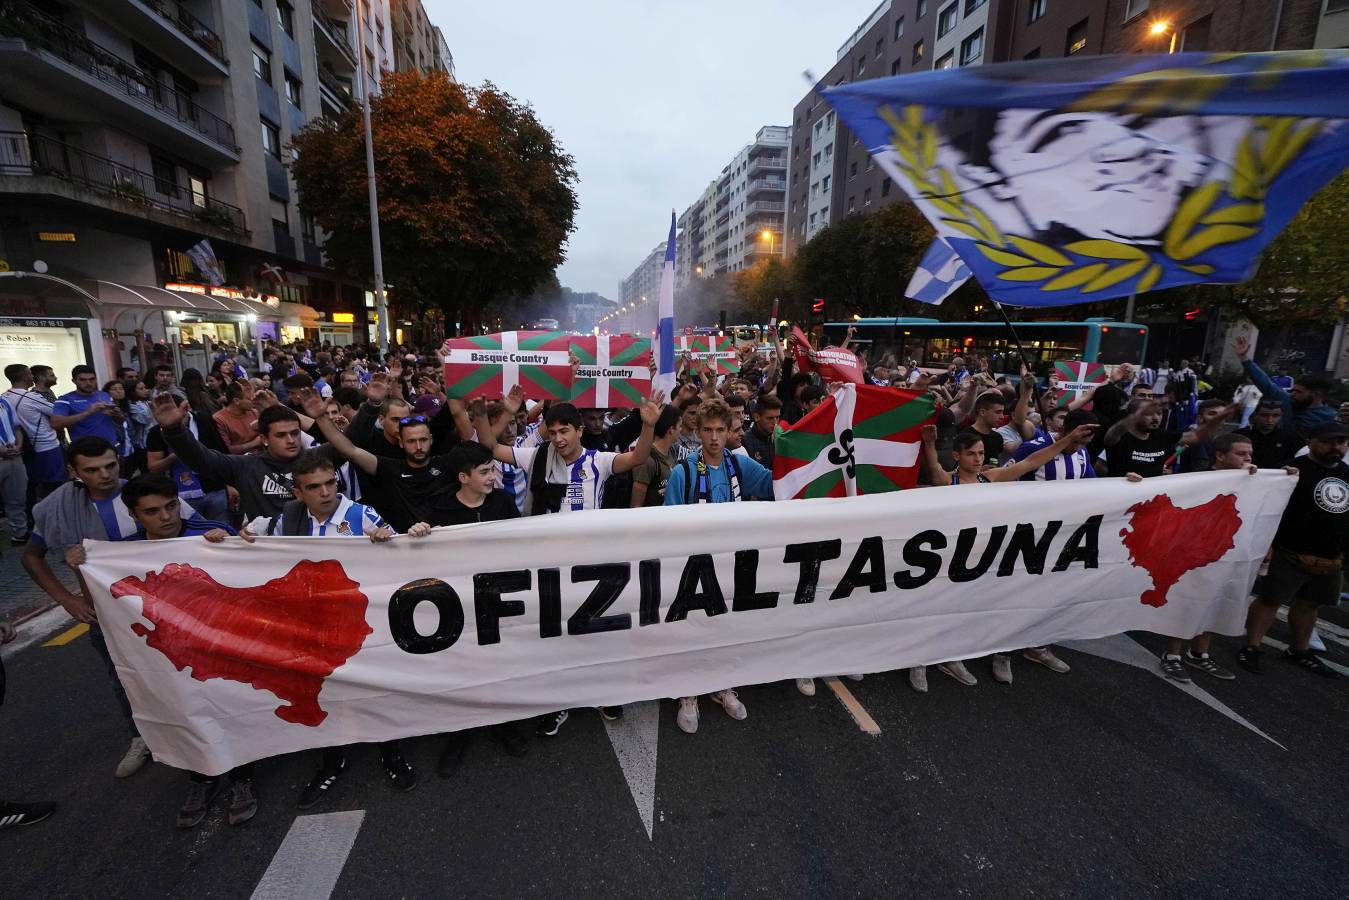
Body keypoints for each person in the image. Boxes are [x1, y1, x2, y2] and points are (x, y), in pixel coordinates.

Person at [236, 453, 428, 807]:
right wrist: (234, 540)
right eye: (314, 487)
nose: (325, 492)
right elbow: (251, 544)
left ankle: (390, 752)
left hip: (359, 626)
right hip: (310, 628)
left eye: (330, 483)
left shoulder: (362, 516)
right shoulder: (286, 520)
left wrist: (390, 540)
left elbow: (398, 557)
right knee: (322, 693)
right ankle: (331, 760)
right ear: (297, 492)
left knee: (375, 690)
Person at [65, 473, 248, 827]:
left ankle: (243, 778)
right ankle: (202, 777)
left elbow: (246, 576)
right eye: (152, 511)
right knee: (183, 710)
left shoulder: (208, 532)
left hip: (218, 647)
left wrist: (230, 543)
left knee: (232, 707)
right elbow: (102, 604)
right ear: (134, 516)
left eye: (170, 506)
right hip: (167, 654)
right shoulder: (121, 554)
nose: (166, 516)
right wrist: (82, 569)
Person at [487, 389, 662, 735]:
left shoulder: (598, 460)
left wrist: (648, 425)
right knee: (556, 636)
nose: (558, 438)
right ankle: (559, 702)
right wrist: (503, 413)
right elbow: (491, 448)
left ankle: (601, 692)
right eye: (552, 432)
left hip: (591, 564)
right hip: (549, 565)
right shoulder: (536, 457)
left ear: (580, 430)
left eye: (564, 431)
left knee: (596, 633)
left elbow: (637, 459)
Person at [912, 421, 1097, 688]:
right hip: (946, 556)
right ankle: (917, 662)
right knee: (934, 608)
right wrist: (929, 443)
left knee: (963, 610)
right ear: (956, 456)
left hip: (979, 557)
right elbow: (932, 467)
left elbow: (1031, 463)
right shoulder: (946, 481)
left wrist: (1066, 442)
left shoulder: (991, 478)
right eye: (971, 454)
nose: (977, 459)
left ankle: (950, 658)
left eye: (980, 454)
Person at [20, 438, 154, 777]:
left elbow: (189, 534)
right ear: (73, 472)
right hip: (104, 614)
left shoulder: (144, 496)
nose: (105, 475)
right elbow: (30, 557)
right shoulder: (57, 507)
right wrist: (66, 599)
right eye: (92, 470)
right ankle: (140, 737)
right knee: (123, 677)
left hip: (159, 609)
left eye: (110, 465)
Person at [662, 398, 773, 732]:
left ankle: (723, 686)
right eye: (707, 430)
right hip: (693, 569)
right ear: (697, 432)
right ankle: (689, 693)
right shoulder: (683, 472)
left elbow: (775, 485)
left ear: (728, 432)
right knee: (691, 631)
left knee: (725, 629)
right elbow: (666, 524)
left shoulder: (739, 466)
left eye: (720, 430)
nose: (713, 437)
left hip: (731, 565)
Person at [431, 442, 531, 773]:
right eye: (485, 471)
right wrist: (419, 535)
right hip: (457, 604)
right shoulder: (440, 511)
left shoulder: (502, 502)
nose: (493, 476)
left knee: (499, 664)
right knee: (460, 669)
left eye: (493, 469)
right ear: (463, 477)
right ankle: (459, 732)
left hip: (496, 600)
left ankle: (504, 723)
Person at [1237, 421, 1349, 677]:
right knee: (1270, 600)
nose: (1335, 447)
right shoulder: (1291, 471)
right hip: (1290, 550)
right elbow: (1268, 508)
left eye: (1340, 442)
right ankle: (1252, 646)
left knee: (1310, 605)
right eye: (1328, 441)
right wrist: (1267, 545)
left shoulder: (1347, 474)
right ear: (1310, 442)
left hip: (1331, 557)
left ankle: (1298, 650)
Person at [149, 393, 344, 521]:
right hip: (270, 554)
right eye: (281, 435)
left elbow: (351, 444)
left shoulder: (317, 458)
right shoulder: (246, 466)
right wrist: (174, 430)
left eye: (294, 433)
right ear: (264, 439)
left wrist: (371, 405)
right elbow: (202, 460)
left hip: (318, 546)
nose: (291, 440)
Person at [1232, 334, 1335, 438]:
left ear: (1317, 394)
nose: (1293, 394)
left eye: (1299, 392)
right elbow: (1264, 382)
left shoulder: (1330, 416)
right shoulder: (1287, 400)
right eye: (1293, 390)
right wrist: (1244, 358)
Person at [4, 364, 63, 499]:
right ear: (25, 377)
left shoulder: (4, 397)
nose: (33, 376)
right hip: (46, 448)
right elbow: (57, 411)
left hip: (22, 449)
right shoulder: (32, 397)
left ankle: (32, 518)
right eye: (30, 374)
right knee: (53, 487)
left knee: (29, 487)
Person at [630, 406, 680, 508]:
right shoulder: (647, 461)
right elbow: (636, 505)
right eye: (680, 426)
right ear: (671, 429)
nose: (681, 430)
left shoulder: (672, 452)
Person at [1238, 400, 1303, 470]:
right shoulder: (1240, 435)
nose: (1270, 420)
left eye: (1275, 416)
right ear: (1255, 415)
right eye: (1264, 415)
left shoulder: (1290, 438)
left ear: (1281, 416)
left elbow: (1295, 461)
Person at [0, 392, 28, 544]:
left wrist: (19, 445)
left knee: (17, 498)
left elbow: (17, 427)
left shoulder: (4, 402)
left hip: (13, 456)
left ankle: (20, 533)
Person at [211, 381, 261, 454]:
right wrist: (254, 443)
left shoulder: (254, 412)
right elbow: (227, 450)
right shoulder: (219, 419)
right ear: (236, 401)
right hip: (237, 461)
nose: (253, 401)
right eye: (250, 399)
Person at [741, 394, 781, 471]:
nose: (775, 422)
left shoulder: (780, 439)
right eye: (770, 418)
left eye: (777, 417)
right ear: (756, 417)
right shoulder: (745, 441)